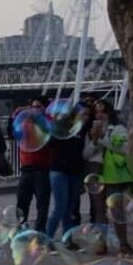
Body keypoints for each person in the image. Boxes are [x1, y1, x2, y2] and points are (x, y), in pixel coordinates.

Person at [84, 99, 133, 255]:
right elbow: (86, 155)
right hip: (96, 171)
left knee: (116, 209)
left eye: (103, 111)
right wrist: (94, 141)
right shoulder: (90, 131)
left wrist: (103, 138)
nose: (100, 115)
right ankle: (102, 243)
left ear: (109, 112)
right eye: (97, 112)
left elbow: (124, 149)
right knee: (99, 209)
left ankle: (123, 243)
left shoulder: (118, 129)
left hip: (113, 173)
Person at [47, 104, 87, 248]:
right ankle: (48, 239)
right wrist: (57, 124)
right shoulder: (60, 129)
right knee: (60, 207)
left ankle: (67, 239)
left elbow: (82, 154)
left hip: (75, 172)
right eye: (82, 114)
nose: (84, 117)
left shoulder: (81, 130)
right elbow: (50, 144)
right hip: (59, 170)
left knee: (70, 209)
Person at [15, 98, 52, 231]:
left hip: (42, 169)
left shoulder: (48, 123)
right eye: (33, 106)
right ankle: (21, 230)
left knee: (42, 205)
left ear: (45, 108)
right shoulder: (25, 122)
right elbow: (13, 132)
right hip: (26, 169)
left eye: (39, 106)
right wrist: (15, 116)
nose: (35, 109)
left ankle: (40, 231)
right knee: (21, 203)